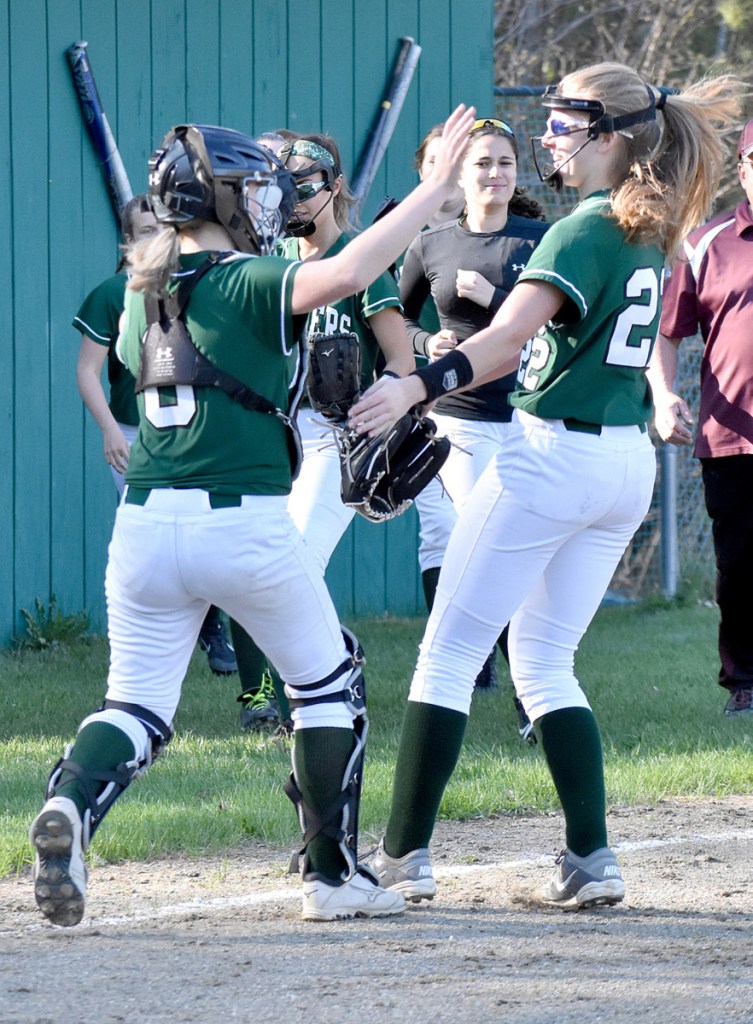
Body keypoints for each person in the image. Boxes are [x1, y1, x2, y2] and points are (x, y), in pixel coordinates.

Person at [28, 105, 476, 926]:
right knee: (328, 681)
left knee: (134, 706)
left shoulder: (141, 290)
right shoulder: (244, 280)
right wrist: (431, 189)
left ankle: (74, 805)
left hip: (142, 525)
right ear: (221, 202)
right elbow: (345, 274)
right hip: (240, 523)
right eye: (250, 191)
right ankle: (333, 875)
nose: (265, 205)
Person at [348, 63, 741, 909]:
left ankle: (400, 857)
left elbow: (500, 342)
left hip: (549, 455)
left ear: (610, 136)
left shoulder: (581, 230)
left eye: (565, 122)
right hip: (621, 467)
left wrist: (418, 384)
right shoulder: (653, 229)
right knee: (543, 658)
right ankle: (590, 860)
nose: (550, 136)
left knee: (448, 653)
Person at [233, 131, 415, 733]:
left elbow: (400, 359)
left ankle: (329, 684)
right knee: (260, 569)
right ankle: (330, 670)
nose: (291, 200)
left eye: (303, 187)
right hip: (275, 434)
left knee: (297, 566)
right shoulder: (276, 264)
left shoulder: (361, 260)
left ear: (335, 189)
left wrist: (379, 414)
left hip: (336, 438)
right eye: (283, 188)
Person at [401, 117, 549, 732]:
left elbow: (558, 325)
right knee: (453, 540)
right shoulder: (430, 244)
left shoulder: (541, 240)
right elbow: (390, 319)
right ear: (460, 173)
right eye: (482, 163)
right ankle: (457, 676)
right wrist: (422, 339)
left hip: (523, 419)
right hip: (453, 421)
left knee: (514, 551)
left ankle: (530, 689)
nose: (494, 173)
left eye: (505, 163)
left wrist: (494, 298)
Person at [73, 195, 237, 676]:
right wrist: (109, 430)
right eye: (143, 230)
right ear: (127, 242)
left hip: (192, 431)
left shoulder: (195, 285)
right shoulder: (112, 292)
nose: (153, 238)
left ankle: (213, 626)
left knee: (204, 531)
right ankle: (148, 643)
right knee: (145, 541)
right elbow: (88, 372)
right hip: (133, 431)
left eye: (159, 228)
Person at [648, 118, 753, 718]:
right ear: (742, 170)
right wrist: (664, 397)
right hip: (733, 438)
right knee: (740, 567)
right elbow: (665, 335)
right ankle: (745, 684)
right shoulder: (704, 243)